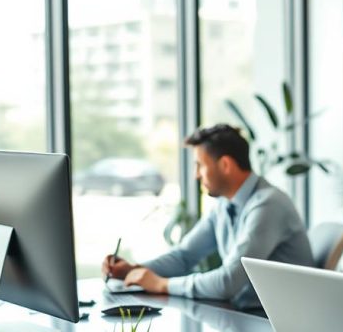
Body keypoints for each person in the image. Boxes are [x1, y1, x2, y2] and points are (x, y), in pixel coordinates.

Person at [101, 123, 314, 309]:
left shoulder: (268, 205)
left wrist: (161, 284)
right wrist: (133, 270)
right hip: (243, 315)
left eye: (200, 165)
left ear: (225, 165)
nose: (196, 175)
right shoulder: (225, 204)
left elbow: (228, 282)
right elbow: (184, 256)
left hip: (273, 325)